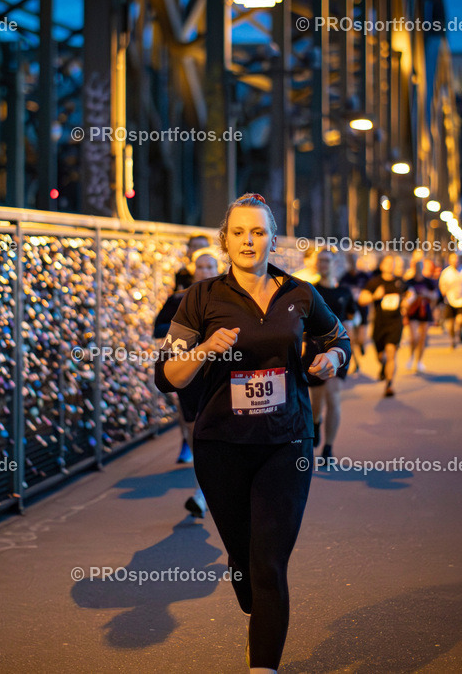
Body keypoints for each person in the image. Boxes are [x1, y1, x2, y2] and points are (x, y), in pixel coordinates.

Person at [154, 193, 350, 673]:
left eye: (258, 232)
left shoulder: (300, 293)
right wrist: (204, 350)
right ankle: (245, 577)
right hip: (221, 444)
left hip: (287, 442)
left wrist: (333, 358)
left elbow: (337, 336)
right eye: (239, 232)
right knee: (245, 561)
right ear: (226, 240)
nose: (248, 240)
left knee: (269, 564)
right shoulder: (201, 297)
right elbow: (167, 375)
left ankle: (263, 665)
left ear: (272, 239)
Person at [153, 246, 221, 516]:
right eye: (201, 267)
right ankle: (204, 487)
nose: (205, 271)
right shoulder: (178, 299)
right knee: (196, 433)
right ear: (193, 271)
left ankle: (205, 493)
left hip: (218, 374)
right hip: (188, 374)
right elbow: (157, 328)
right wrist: (182, 331)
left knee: (220, 429)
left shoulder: (227, 300)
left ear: (219, 270)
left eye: (210, 267)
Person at [307, 249, 357, 462]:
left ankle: (328, 448)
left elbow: (349, 324)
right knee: (316, 400)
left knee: (333, 396)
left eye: (327, 261)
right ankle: (316, 422)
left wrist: (352, 354)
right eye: (320, 261)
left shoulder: (344, 292)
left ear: (335, 264)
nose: (323, 264)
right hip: (313, 351)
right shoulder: (310, 291)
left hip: (338, 352)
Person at [359, 255, 408, 397]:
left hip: (395, 323)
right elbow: (362, 300)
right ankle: (383, 364)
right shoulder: (374, 282)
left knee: (392, 352)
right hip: (380, 324)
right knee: (381, 356)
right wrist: (375, 296)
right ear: (381, 266)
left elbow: (409, 294)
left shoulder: (399, 282)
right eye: (387, 263)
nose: (390, 266)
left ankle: (389, 385)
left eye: (392, 263)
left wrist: (406, 301)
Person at [339, 252, 371, 372]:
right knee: (351, 339)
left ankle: (362, 345)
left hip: (362, 311)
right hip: (349, 312)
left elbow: (371, 291)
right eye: (350, 260)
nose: (352, 263)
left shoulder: (364, 276)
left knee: (361, 339)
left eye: (354, 260)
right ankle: (355, 362)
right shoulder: (344, 277)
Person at [404, 258, 438, 373]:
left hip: (425, 311)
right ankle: (411, 356)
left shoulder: (428, 281)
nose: (418, 269)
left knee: (423, 338)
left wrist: (427, 294)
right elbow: (404, 297)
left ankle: (419, 361)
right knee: (414, 337)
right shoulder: (409, 282)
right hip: (413, 312)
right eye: (416, 266)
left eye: (420, 266)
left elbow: (435, 296)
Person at [438, 252, 462, 349]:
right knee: (450, 325)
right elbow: (442, 285)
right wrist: (443, 291)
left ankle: (460, 331)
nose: (455, 262)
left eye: (457, 259)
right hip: (450, 300)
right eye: (453, 260)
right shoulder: (446, 273)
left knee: (460, 321)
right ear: (449, 261)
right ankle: (453, 339)